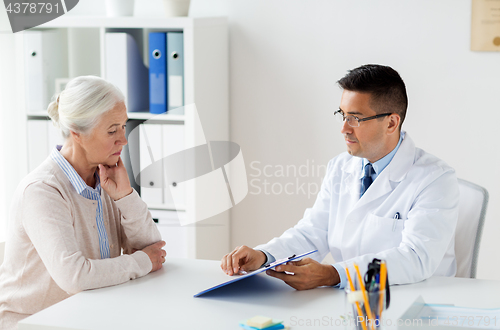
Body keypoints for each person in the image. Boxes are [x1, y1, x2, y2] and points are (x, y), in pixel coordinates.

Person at [221, 64, 459, 290]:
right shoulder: (341, 166)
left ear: (391, 122)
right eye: (342, 114)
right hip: (350, 299)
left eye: (355, 118)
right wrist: (265, 256)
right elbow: (314, 231)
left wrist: (334, 275)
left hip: (415, 302)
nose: (344, 128)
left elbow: (416, 258)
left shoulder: (435, 180)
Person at [0, 76, 166, 329]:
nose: (124, 139)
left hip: (89, 316)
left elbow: (153, 248)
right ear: (77, 133)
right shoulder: (43, 191)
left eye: (123, 126)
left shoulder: (105, 178)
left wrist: (125, 196)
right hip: (34, 323)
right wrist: (142, 261)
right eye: (112, 130)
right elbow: (74, 276)